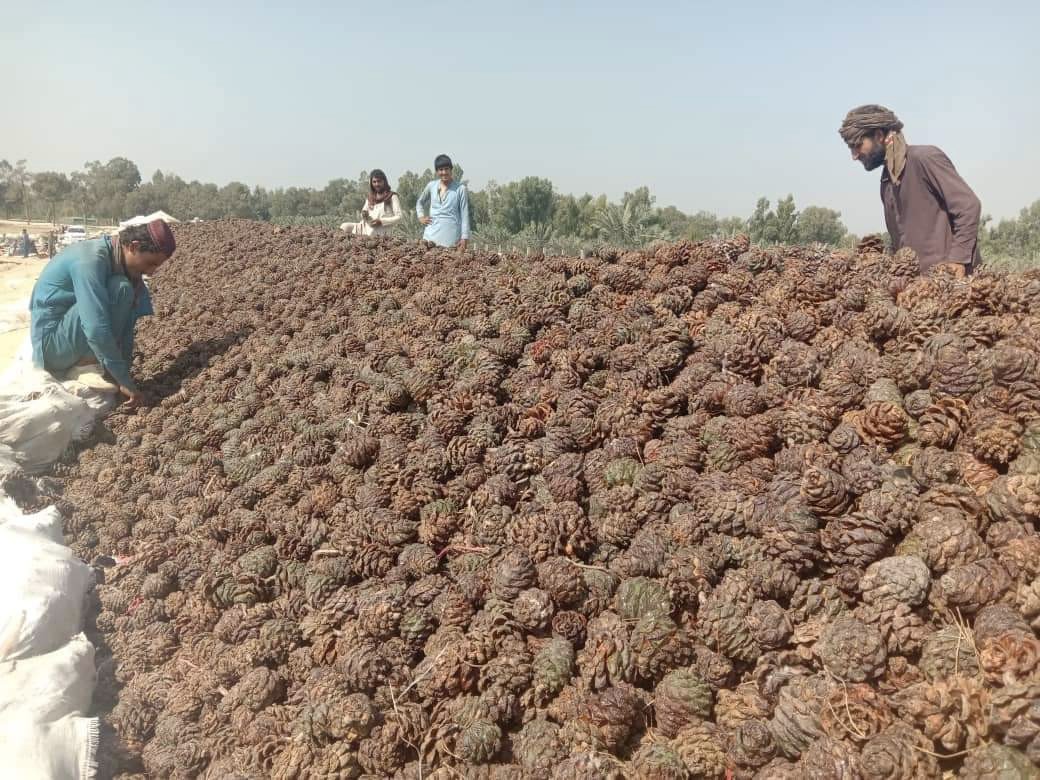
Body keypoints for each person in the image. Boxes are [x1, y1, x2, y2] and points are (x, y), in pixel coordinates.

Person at [29, 218, 176, 403]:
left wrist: (125, 377)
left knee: (123, 288)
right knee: (120, 288)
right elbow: (96, 328)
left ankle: (95, 363)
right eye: (150, 263)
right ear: (133, 246)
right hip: (52, 348)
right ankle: (85, 366)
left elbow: (127, 328)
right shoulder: (89, 261)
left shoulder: (118, 263)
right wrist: (122, 379)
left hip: (70, 338)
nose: (151, 272)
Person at [839, 105, 981, 277]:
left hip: (951, 284)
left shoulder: (924, 158)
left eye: (857, 145)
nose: (854, 155)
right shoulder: (887, 180)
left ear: (878, 135)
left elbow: (968, 206)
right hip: (918, 291)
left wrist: (958, 259)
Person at [416, 154, 470, 250]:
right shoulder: (431, 186)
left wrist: (464, 238)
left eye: (446, 169)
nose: (444, 172)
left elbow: (464, 214)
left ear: (451, 170)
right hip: (430, 237)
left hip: (451, 239)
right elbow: (419, 202)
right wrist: (421, 216)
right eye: (441, 170)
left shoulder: (461, 189)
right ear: (437, 171)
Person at [340, 170, 403, 236]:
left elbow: (399, 217)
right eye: (374, 182)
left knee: (371, 234)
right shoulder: (371, 197)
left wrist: (381, 221)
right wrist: (364, 214)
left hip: (381, 229)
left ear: (384, 182)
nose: (376, 184)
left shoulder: (392, 196)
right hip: (365, 226)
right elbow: (363, 212)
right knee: (344, 226)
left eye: (379, 181)